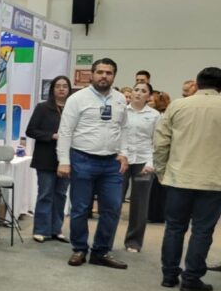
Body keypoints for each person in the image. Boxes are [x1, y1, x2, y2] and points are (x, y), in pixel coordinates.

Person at [57, 58, 129, 269]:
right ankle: (79, 249)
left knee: (112, 208)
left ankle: (101, 251)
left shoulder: (119, 99)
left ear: (114, 76)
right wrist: (64, 161)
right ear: (92, 74)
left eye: (108, 73)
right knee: (80, 208)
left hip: (111, 163)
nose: (104, 76)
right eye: (100, 72)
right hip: (82, 159)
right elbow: (65, 131)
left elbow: (124, 128)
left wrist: (124, 153)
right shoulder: (77, 99)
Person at [154, 67, 221, 291]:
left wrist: (161, 170)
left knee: (174, 227)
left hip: (178, 177)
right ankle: (192, 278)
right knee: (202, 230)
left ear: (198, 84)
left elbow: (161, 142)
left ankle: (169, 275)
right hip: (213, 181)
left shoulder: (177, 106)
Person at [26, 75, 71, 243]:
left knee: (61, 195)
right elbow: (31, 131)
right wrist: (51, 136)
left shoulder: (73, 108)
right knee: (45, 194)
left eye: (64, 86)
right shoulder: (43, 108)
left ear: (69, 89)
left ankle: (56, 229)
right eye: (58, 86)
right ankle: (41, 229)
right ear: (52, 89)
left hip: (66, 159)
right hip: (46, 158)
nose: (61, 89)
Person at [120, 82, 159, 252]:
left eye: (143, 91)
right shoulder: (122, 111)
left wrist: (151, 164)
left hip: (143, 162)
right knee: (114, 200)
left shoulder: (154, 115)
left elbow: (156, 142)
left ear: (148, 96)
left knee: (140, 203)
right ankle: (105, 240)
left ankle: (133, 242)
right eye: (136, 90)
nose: (138, 93)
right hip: (122, 160)